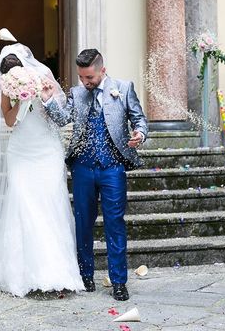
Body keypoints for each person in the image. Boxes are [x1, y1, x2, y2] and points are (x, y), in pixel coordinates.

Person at [0, 42, 83, 297]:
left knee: (50, 205)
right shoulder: (6, 86)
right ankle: (21, 272)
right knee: (22, 204)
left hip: (47, 151)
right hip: (21, 152)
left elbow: (63, 117)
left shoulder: (44, 79)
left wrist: (44, 98)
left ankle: (57, 271)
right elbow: (9, 121)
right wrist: (21, 101)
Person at [42, 49, 148, 301]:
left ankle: (119, 282)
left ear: (102, 70)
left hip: (113, 168)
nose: (84, 82)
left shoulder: (123, 88)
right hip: (82, 168)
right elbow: (63, 118)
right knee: (83, 224)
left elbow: (139, 119)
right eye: (81, 77)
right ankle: (85, 274)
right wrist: (48, 100)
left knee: (115, 224)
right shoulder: (77, 94)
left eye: (89, 77)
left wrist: (139, 134)